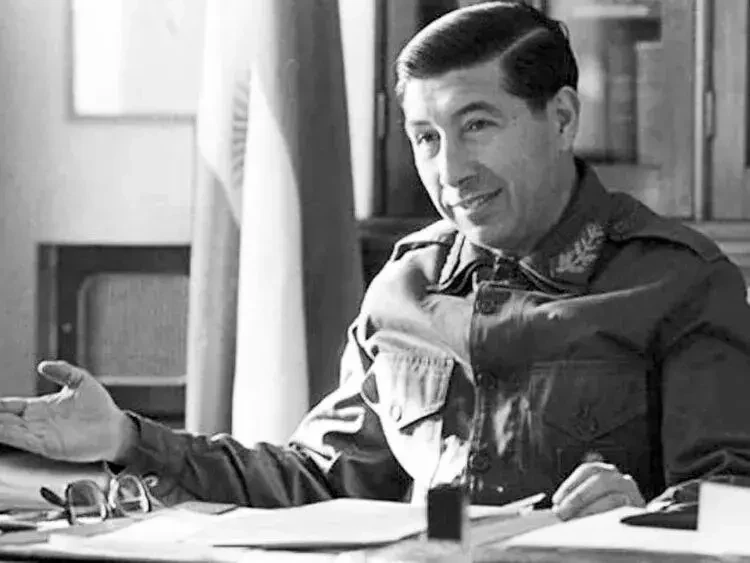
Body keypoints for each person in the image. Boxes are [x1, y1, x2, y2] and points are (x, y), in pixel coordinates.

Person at [1, 0, 750, 522]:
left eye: (477, 125)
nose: (450, 170)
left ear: (561, 117)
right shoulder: (405, 286)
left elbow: (733, 500)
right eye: (426, 138)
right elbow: (314, 478)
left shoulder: (679, 279)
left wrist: (642, 518)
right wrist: (126, 438)